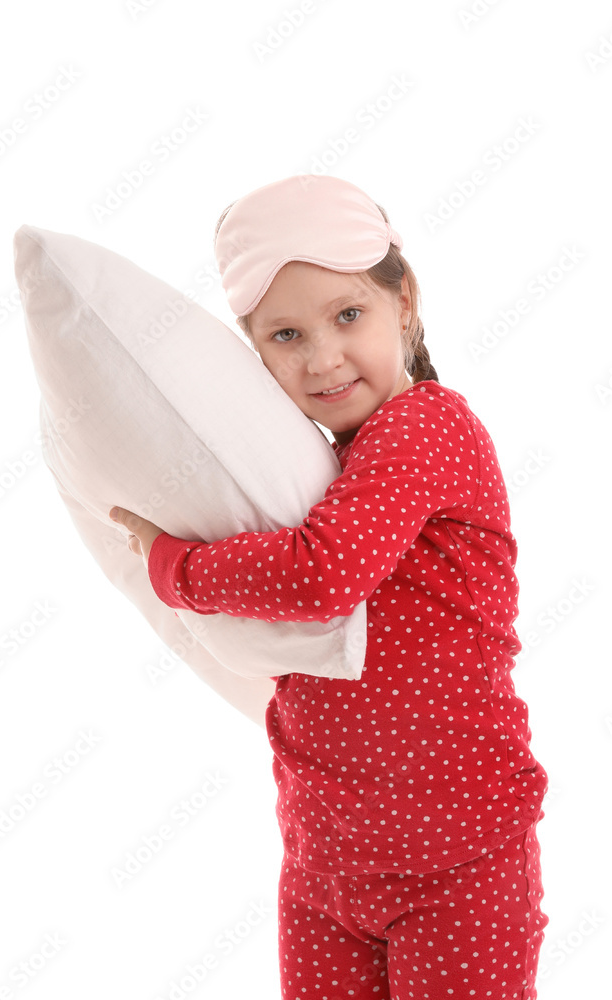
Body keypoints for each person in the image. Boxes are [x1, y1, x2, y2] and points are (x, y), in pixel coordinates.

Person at [109, 174, 549, 999]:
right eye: (283, 335)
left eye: (347, 316)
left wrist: (175, 565)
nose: (321, 357)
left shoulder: (427, 425)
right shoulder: (316, 469)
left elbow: (322, 574)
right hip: (324, 864)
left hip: (454, 865)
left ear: (403, 302)